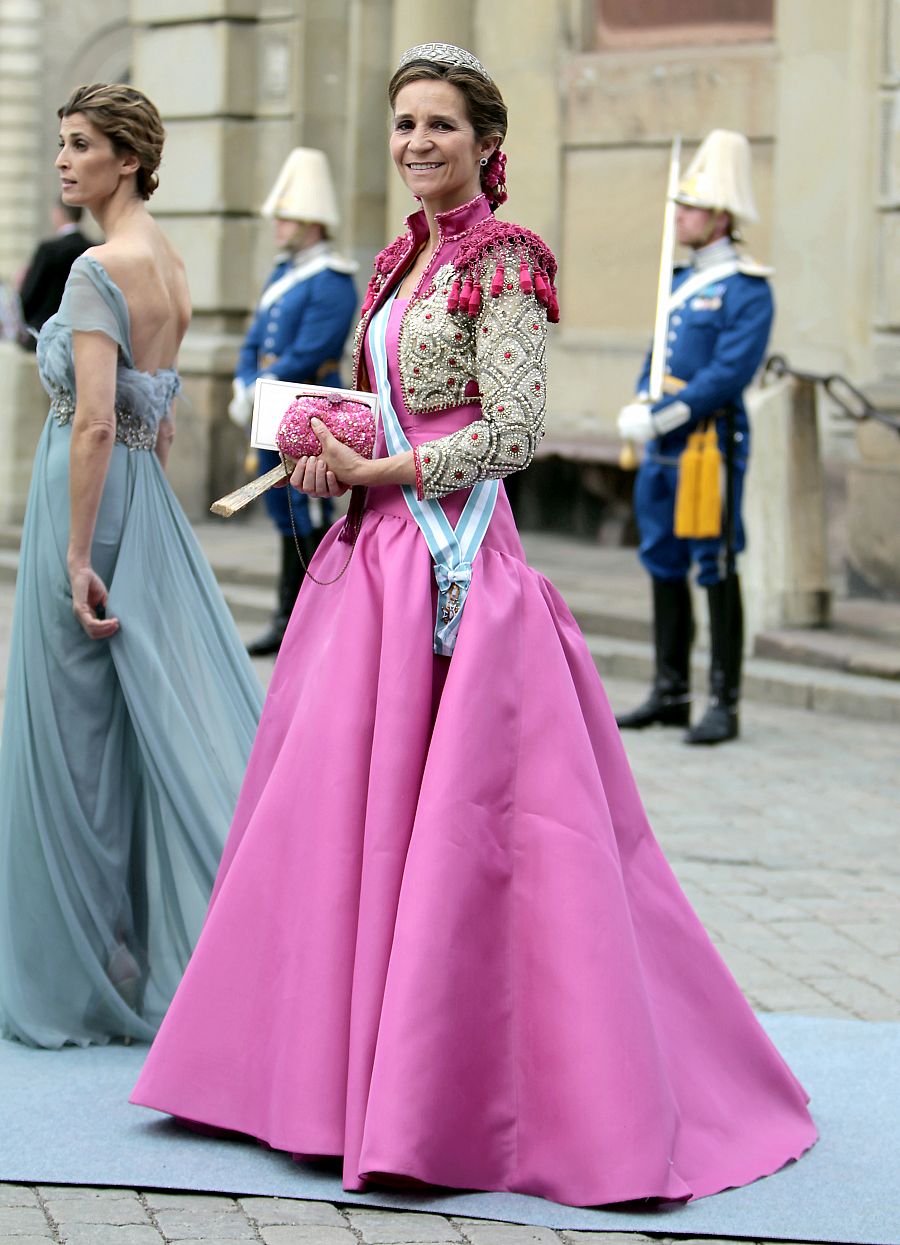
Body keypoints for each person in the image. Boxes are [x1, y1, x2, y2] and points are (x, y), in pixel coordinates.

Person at [132, 49, 815, 1207]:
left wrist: (384, 463)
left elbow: (512, 432)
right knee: (342, 814)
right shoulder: (398, 261)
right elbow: (385, 397)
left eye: (440, 126)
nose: (416, 143)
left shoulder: (502, 265)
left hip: (456, 573)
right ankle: (315, 1076)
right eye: (404, 125)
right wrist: (330, 457)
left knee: (462, 834)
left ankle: (451, 1089)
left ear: (487, 142)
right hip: (376, 564)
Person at [0, 83, 263, 1049]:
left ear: (127, 159)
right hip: (144, 505)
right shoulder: (173, 265)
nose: (64, 161)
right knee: (134, 736)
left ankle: (84, 970)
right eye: (60, 144)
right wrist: (141, 523)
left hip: (90, 505)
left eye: (80, 146)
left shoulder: (93, 270)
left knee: (76, 749)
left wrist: (75, 553)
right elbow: (167, 415)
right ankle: (134, 952)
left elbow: (101, 419)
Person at [616, 131, 774, 745]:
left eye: (690, 208)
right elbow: (658, 354)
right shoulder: (679, 280)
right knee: (662, 559)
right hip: (663, 440)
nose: (678, 217)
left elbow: (727, 373)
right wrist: (640, 398)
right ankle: (670, 691)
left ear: (720, 217)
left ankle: (724, 703)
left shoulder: (747, 287)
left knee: (714, 562)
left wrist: (664, 415)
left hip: (708, 440)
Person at [228, 148, 358, 656]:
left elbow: (313, 350)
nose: (277, 226)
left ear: (311, 222)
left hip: (306, 411)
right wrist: (244, 382)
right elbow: (255, 337)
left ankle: (305, 615)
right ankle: (288, 614)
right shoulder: (282, 274)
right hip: (270, 404)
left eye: (286, 218)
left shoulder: (332, 280)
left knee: (307, 509)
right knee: (284, 512)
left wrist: (262, 383)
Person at [17, 199, 90, 350]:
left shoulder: (48, 250)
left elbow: (29, 294)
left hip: (46, 334)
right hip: (82, 335)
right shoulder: (93, 247)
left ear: (59, 213)